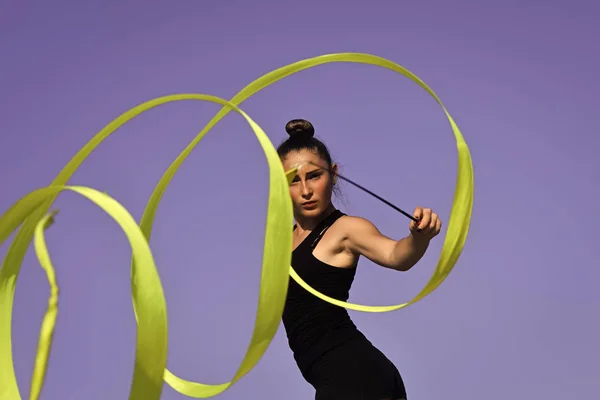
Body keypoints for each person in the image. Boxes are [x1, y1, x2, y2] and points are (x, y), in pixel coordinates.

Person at [278, 119, 442, 400]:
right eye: (293, 180)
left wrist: (419, 238)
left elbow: (395, 255)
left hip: (355, 375)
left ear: (333, 174)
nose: (305, 190)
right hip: (336, 378)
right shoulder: (283, 242)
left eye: (315, 176)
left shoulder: (346, 229)